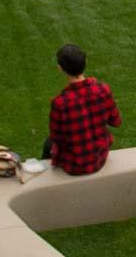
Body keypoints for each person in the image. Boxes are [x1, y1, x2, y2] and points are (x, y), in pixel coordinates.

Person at [43, 43, 123, 176]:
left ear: (60, 68)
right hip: (100, 158)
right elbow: (116, 122)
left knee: (48, 143)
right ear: (85, 62)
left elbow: (57, 137)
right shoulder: (103, 90)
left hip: (74, 165)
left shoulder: (59, 103)